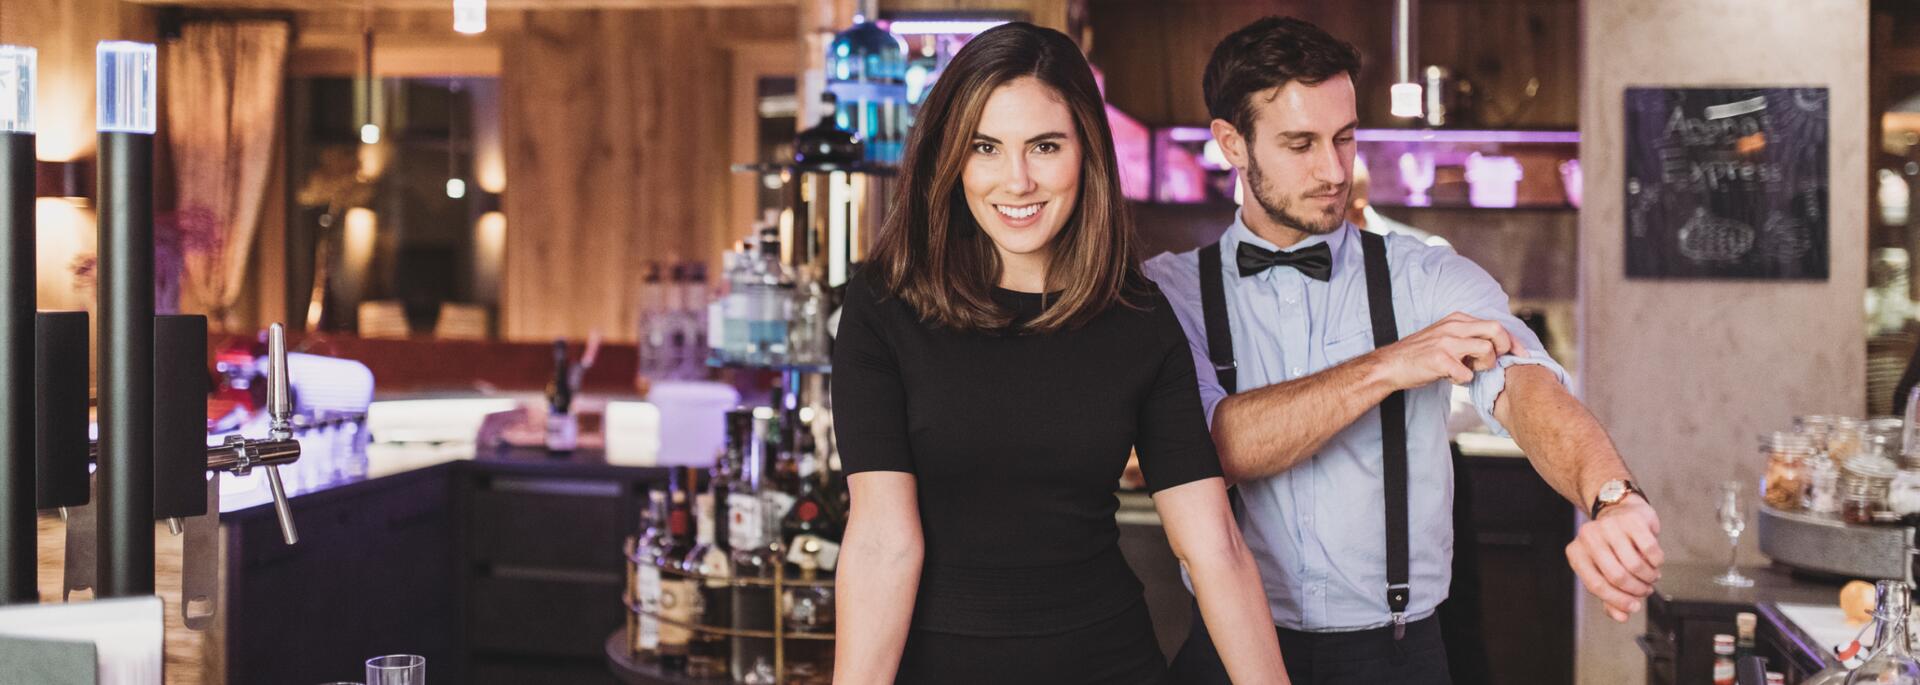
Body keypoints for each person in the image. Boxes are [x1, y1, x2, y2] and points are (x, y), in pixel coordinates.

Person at [1142, 17, 1664, 684]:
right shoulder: (1168, 292)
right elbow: (1213, 446)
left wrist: (1612, 495)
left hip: (1395, 656)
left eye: (1344, 137)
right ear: (1231, 144)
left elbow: (1524, 382)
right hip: (1226, 648)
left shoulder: (1427, 273)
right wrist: (1388, 364)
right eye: (1300, 143)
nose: (1334, 170)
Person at [829, 22, 1289, 685]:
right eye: (986, 147)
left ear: (1087, 153)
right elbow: (881, 541)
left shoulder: (1138, 317)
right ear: (952, 158)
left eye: (1045, 146)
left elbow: (1214, 544)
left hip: (1108, 662)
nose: (1016, 181)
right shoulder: (886, 306)